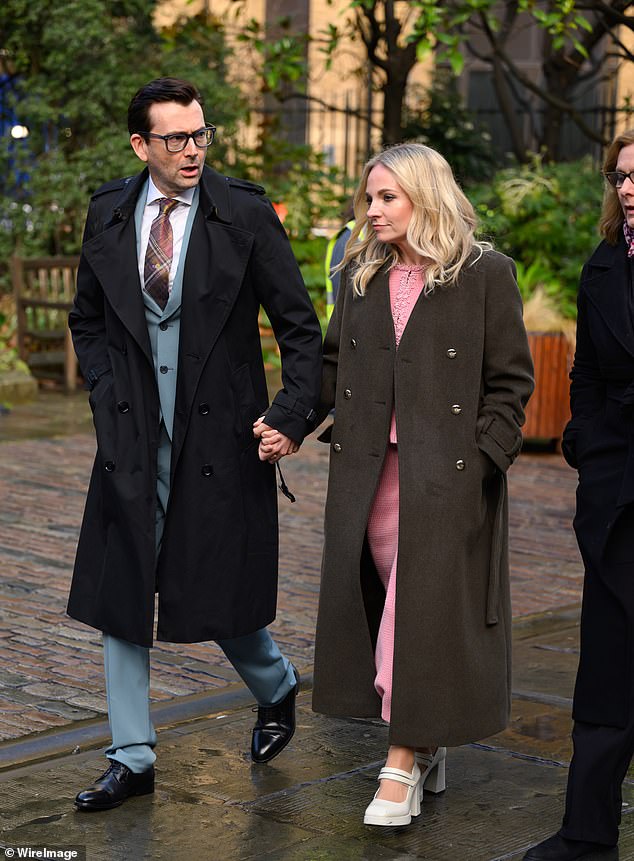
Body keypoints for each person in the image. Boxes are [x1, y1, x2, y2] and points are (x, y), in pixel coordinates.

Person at [66, 77, 322, 811]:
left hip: (222, 437)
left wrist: (290, 414)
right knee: (124, 589)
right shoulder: (110, 213)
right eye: (175, 138)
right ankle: (132, 754)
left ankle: (276, 684)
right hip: (132, 437)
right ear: (141, 144)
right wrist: (108, 393)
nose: (192, 150)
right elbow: (88, 317)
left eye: (200, 134)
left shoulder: (242, 212)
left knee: (216, 594)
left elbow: (300, 327)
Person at [310, 142, 534, 827]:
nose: (372, 211)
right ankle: (428, 736)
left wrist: (483, 460)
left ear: (423, 197)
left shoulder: (485, 273)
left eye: (387, 198)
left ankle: (400, 763)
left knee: (420, 604)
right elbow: (326, 364)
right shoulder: (362, 274)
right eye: (369, 198)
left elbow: (511, 381)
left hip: (452, 476)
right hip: (372, 470)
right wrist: (286, 423)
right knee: (401, 606)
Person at [523, 131, 634, 861]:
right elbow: (587, 375)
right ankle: (587, 832)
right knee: (608, 663)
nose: (628, 189)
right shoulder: (603, 265)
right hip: (619, 487)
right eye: (620, 176)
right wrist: (589, 448)